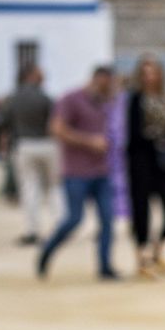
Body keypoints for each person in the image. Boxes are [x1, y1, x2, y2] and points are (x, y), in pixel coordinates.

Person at [37, 66, 119, 281]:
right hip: (76, 172)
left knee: (108, 220)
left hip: (102, 171)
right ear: (97, 80)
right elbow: (56, 129)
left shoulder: (107, 103)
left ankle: (105, 267)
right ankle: (47, 250)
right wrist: (88, 141)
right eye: (107, 84)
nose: (110, 89)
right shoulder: (71, 99)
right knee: (74, 219)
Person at [125, 56, 165, 279]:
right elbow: (131, 132)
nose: (149, 77)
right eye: (145, 72)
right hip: (140, 159)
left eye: (153, 72)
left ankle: (157, 252)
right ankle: (141, 259)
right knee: (141, 210)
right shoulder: (134, 99)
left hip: (162, 160)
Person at [6, 65, 59, 246]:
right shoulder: (45, 98)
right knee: (54, 187)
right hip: (48, 144)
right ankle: (60, 227)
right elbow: (56, 121)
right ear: (30, 76)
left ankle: (32, 230)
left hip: (24, 144)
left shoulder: (13, 99)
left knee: (30, 189)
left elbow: (6, 123)